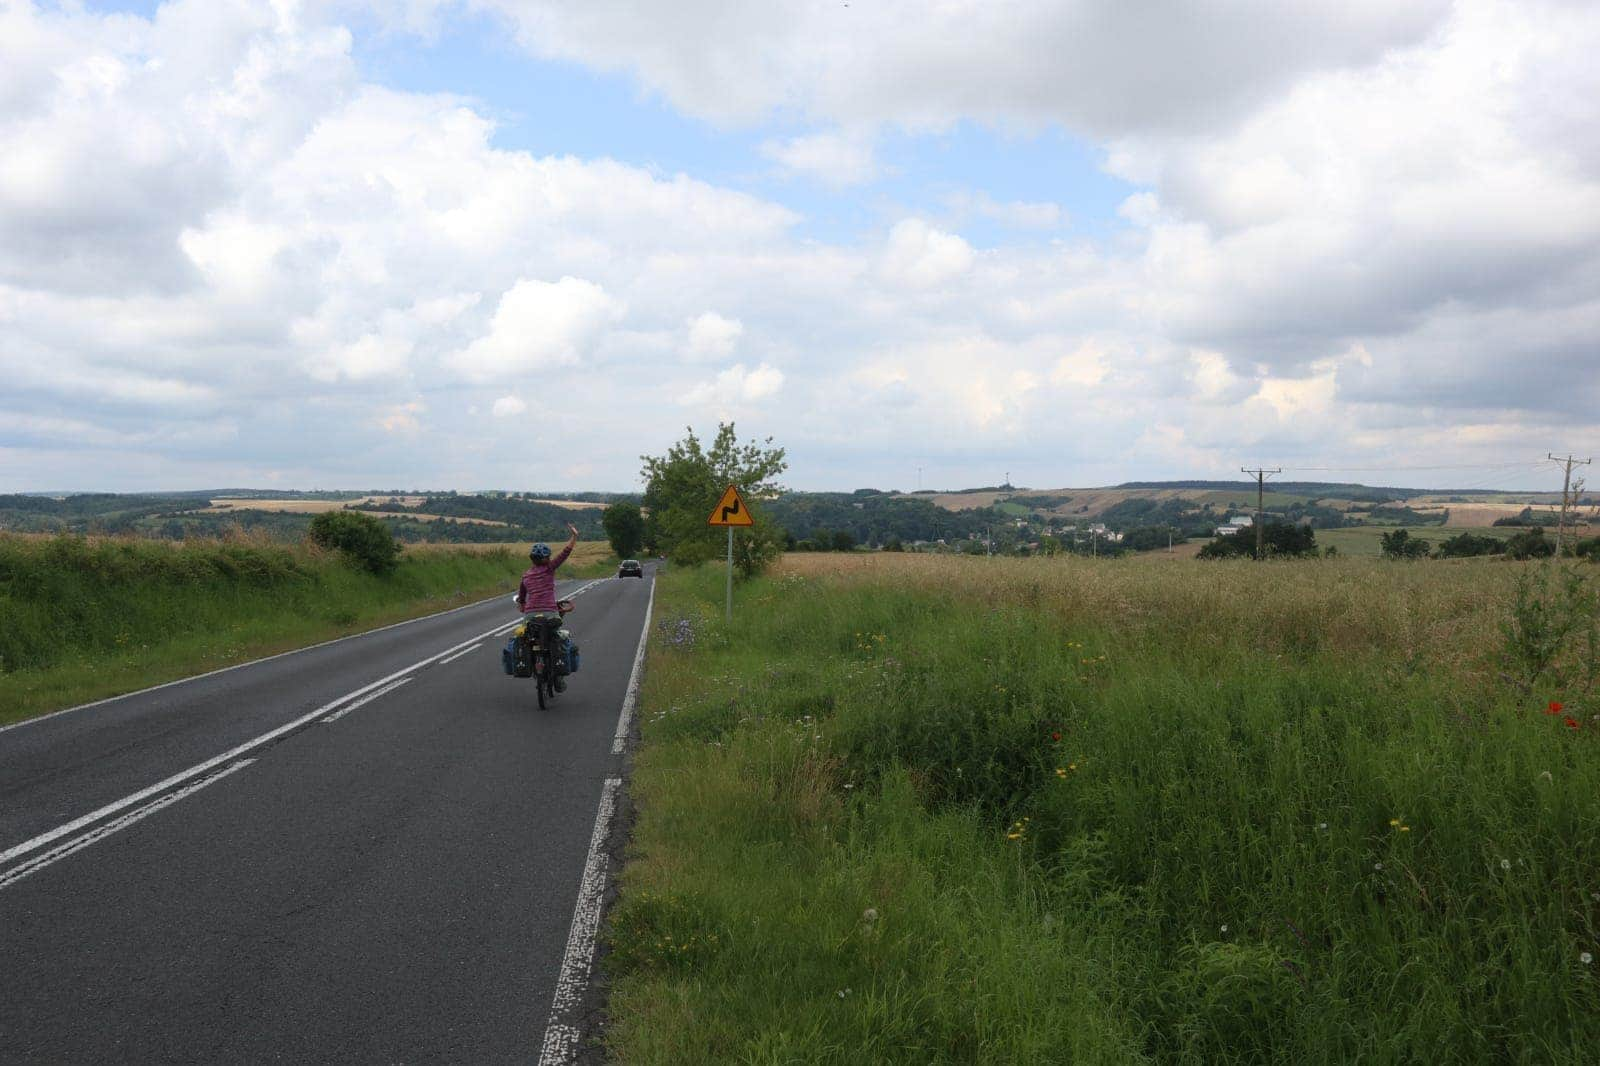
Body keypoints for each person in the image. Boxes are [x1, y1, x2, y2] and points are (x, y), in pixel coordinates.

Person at [517, 523, 579, 689]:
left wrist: (523, 606)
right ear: (546, 559)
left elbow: (521, 600)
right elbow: (565, 553)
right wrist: (574, 536)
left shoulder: (525, 576)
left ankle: (531, 665)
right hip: (550, 612)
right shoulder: (549, 568)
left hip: (530, 616)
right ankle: (558, 678)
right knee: (556, 638)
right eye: (548, 557)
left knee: (528, 639)